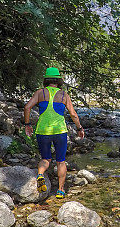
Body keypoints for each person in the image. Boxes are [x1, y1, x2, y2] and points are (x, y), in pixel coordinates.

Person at [23, 67, 84, 199]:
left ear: (46, 79)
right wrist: (79, 129)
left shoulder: (40, 93)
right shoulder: (64, 95)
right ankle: (61, 191)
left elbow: (27, 107)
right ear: (59, 80)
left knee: (46, 159)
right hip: (60, 131)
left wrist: (27, 125)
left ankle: (40, 175)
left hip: (43, 131)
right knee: (60, 161)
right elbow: (73, 114)